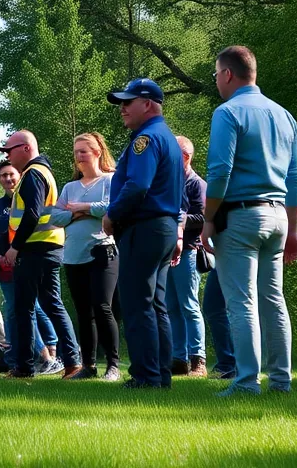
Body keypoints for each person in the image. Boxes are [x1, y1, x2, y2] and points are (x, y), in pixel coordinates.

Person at [200, 47, 297, 396]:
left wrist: (208, 219)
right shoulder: (285, 115)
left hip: (242, 215)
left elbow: (220, 171)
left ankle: (246, 382)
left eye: (216, 74)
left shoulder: (228, 112)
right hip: (278, 216)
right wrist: (294, 228)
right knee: (273, 299)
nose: (216, 81)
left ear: (228, 74)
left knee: (242, 302)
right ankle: (281, 381)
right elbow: (295, 178)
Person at [104, 80, 184, 389]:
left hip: (145, 227)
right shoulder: (166, 137)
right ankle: (160, 375)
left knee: (138, 304)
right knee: (154, 304)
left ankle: (146, 377)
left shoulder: (146, 139)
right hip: (162, 227)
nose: (122, 109)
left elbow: (137, 185)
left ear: (148, 104)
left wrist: (112, 214)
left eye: (128, 102)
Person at [0, 130, 82, 379]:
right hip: (48, 247)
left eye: (9, 151)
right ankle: (73, 361)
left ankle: (24, 367)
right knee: (52, 304)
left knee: (24, 308)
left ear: (25, 148)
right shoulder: (42, 172)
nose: (7, 156)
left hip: (35, 249)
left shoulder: (33, 174)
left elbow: (32, 213)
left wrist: (15, 247)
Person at [52, 132, 120, 381]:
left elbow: (112, 207)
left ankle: (113, 365)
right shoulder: (70, 187)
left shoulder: (110, 180)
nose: (79, 156)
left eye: (83, 151)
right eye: (76, 152)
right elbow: (55, 217)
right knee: (83, 312)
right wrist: (83, 213)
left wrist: (81, 208)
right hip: (73, 255)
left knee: (103, 307)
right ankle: (88, 366)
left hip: (103, 251)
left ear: (97, 152)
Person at [0, 161, 60, 374]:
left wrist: (15, 249)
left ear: (19, 176)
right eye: (3, 175)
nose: (8, 179)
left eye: (11, 174)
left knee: (34, 307)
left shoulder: (30, 193)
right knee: (15, 308)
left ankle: (48, 354)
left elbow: (33, 218)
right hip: (4, 264)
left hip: (27, 257)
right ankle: (20, 358)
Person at [167, 135, 206, 377]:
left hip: (189, 250)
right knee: (171, 307)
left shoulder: (196, 184)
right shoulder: (170, 182)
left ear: (184, 157)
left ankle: (198, 360)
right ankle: (178, 359)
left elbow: (203, 218)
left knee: (189, 306)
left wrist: (179, 220)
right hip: (168, 252)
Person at [202, 266, 236, 379]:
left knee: (215, 308)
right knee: (214, 308)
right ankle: (229, 363)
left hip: (231, 258)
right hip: (226, 260)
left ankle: (229, 364)